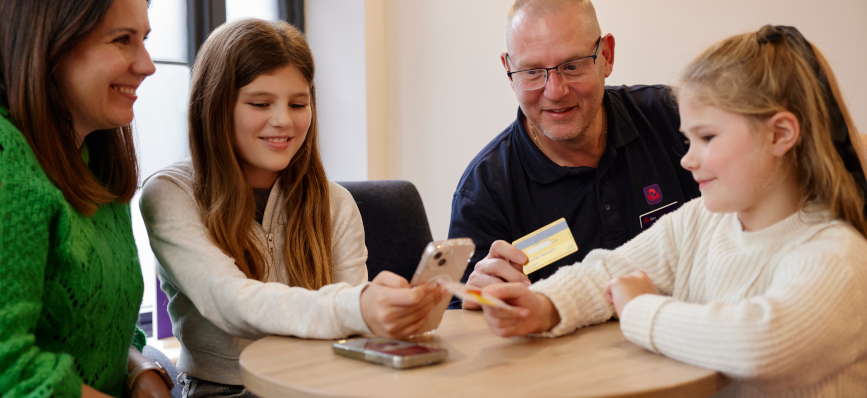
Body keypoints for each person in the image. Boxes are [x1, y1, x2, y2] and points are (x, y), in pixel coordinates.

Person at [480, 25, 867, 396]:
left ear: (780, 135)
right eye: (688, 139)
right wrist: (545, 304)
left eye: (707, 137)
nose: (687, 159)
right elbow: (608, 270)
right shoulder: (699, 221)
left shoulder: (838, 256)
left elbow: (758, 345)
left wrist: (640, 308)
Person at [139, 19, 446, 396]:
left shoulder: (335, 203)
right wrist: (358, 305)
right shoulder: (170, 194)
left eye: (298, 103)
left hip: (321, 385)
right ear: (216, 105)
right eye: (260, 103)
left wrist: (389, 315)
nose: (284, 120)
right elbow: (230, 301)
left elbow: (350, 334)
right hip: (223, 389)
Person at [449, 0, 700, 309]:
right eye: (531, 71)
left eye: (572, 66)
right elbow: (463, 318)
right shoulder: (484, 191)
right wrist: (476, 302)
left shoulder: (678, 121)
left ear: (606, 56)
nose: (554, 91)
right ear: (509, 72)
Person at [0, 0, 174, 397]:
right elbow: (9, 369)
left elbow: (99, 325)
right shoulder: (8, 157)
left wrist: (140, 369)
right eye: (122, 40)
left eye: (144, 40)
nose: (147, 65)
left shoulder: (97, 158)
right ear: (49, 42)